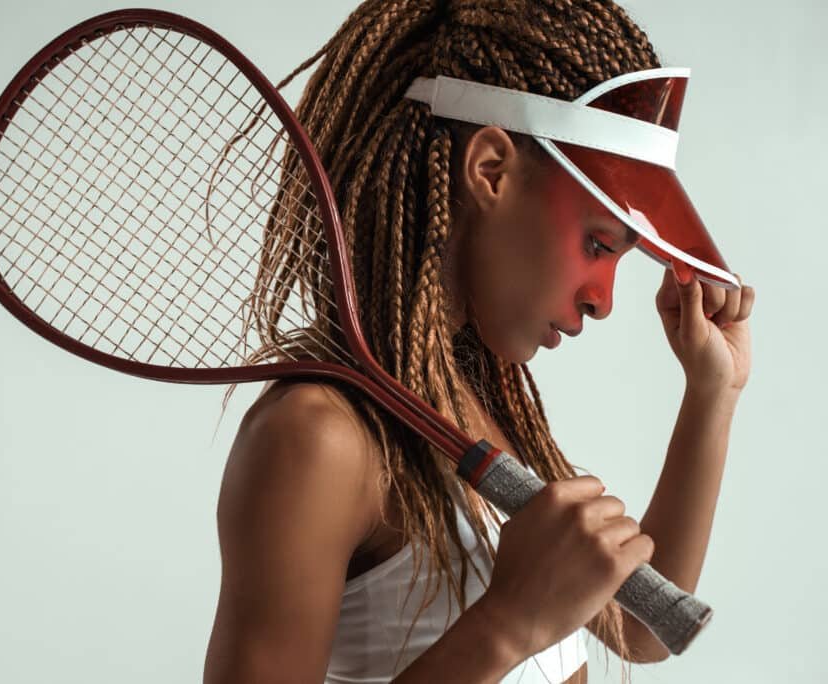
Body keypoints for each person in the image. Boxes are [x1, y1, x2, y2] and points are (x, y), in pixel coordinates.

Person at [202, 0, 755, 682]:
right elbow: (525, 624)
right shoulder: (318, 437)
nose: (603, 298)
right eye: (597, 244)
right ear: (490, 168)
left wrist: (712, 393)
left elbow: (638, 630)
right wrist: (508, 622)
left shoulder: (472, 401)